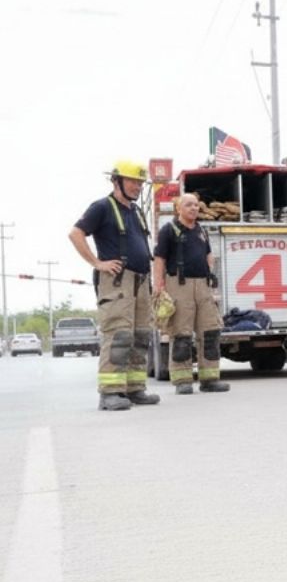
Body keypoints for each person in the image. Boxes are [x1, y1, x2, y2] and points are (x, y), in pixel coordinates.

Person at [68, 161, 161, 411]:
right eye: (132, 181)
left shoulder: (136, 211)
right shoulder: (102, 207)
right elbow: (75, 233)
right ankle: (110, 393)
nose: (138, 186)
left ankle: (134, 388)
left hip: (141, 282)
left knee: (140, 336)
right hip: (118, 282)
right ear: (116, 181)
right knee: (118, 336)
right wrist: (97, 263)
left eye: (140, 183)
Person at [153, 193, 230, 395]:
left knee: (210, 332)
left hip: (203, 286)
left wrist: (210, 277)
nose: (194, 208)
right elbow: (159, 259)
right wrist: (158, 285)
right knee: (181, 334)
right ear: (179, 208)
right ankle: (182, 380)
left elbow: (208, 255)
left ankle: (209, 379)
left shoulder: (201, 231)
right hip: (179, 285)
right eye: (189, 205)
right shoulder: (168, 230)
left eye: (196, 205)